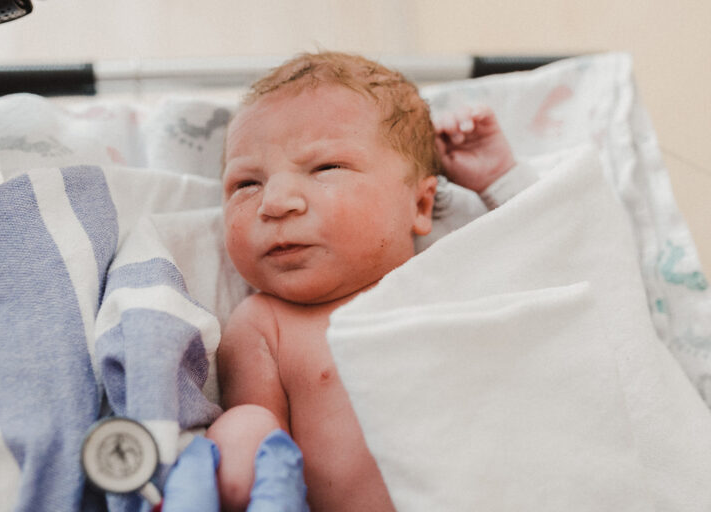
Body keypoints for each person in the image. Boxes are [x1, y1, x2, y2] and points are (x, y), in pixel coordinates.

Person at [206, 51, 518, 512]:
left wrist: (502, 181)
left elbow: (560, 254)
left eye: (325, 168)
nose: (275, 202)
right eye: (246, 184)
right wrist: (240, 438)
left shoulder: (453, 273)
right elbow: (262, 456)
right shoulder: (264, 325)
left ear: (420, 205)